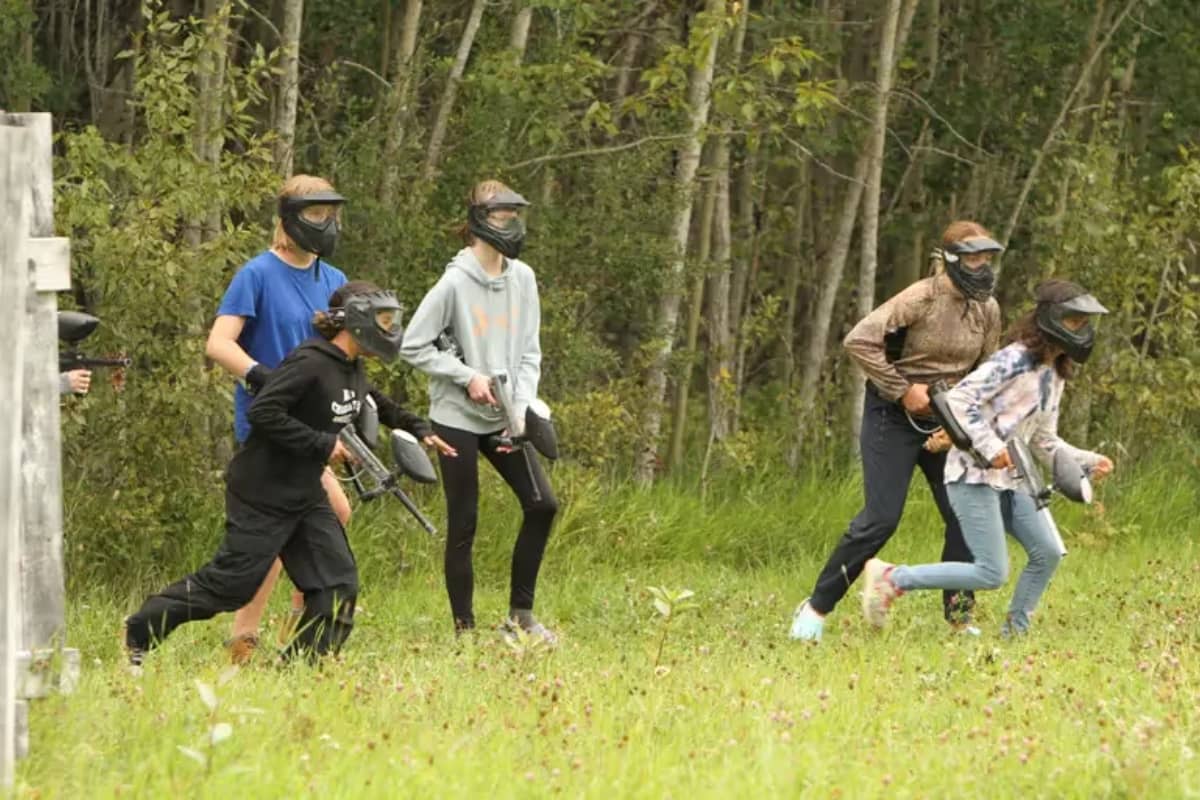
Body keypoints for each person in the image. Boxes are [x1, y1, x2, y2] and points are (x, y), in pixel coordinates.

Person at [125, 282, 451, 664]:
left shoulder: (351, 367)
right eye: (383, 319)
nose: (390, 327)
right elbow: (262, 412)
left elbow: (374, 400)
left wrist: (420, 428)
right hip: (263, 491)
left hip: (304, 492)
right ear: (356, 320)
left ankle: (299, 668)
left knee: (338, 586)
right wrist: (322, 444)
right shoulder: (311, 362)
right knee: (230, 586)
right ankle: (138, 633)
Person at [790, 220, 1005, 642]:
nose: (981, 267)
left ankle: (959, 617)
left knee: (964, 516)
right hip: (893, 416)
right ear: (951, 260)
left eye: (986, 259)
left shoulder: (988, 309)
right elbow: (859, 340)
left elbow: (988, 371)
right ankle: (816, 608)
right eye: (973, 258)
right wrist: (903, 390)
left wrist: (966, 421)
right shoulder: (920, 297)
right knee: (881, 519)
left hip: (948, 421)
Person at [861, 279, 1115, 635]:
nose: (1083, 330)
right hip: (973, 477)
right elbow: (959, 400)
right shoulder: (1013, 360)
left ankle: (1015, 632)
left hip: (1015, 480)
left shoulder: (1054, 374)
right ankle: (892, 578)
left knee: (1048, 554)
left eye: (1085, 323)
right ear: (1053, 320)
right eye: (1076, 321)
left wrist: (1086, 461)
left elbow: (1043, 439)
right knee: (991, 572)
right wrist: (991, 447)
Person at [400, 179, 559, 643]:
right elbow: (413, 344)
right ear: (478, 221)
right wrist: (464, 375)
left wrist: (522, 407)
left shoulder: (523, 278)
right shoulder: (453, 282)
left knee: (542, 505)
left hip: (505, 414)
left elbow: (530, 351)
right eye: (501, 216)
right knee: (465, 520)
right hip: (456, 418)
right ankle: (464, 632)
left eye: (515, 215)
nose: (510, 224)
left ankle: (521, 617)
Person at [205, 174, 353, 664]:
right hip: (270, 426)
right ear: (289, 217)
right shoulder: (258, 274)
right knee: (280, 530)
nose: (325, 222)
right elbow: (219, 342)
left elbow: (340, 354)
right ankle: (244, 635)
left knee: (333, 514)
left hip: (311, 429)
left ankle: (299, 624)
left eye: (330, 212)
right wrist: (261, 378)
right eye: (315, 213)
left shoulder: (333, 282)